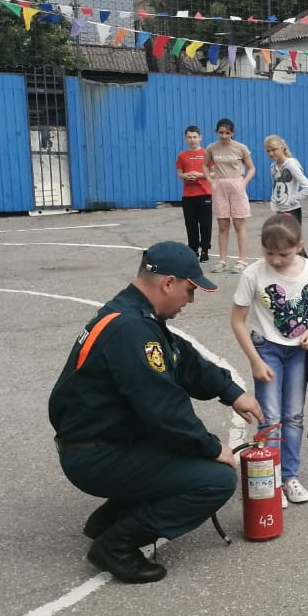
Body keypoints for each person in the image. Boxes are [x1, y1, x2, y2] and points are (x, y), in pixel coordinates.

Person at [49, 242, 264, 583]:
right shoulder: (132, 329)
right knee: (215, 480)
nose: (190, 300)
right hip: (95, 454)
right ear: (167, 283)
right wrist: (211, 448)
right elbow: (164, 410)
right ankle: (117, 545)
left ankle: (109, 519)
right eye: (189, 290)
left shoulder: (134, 313)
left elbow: (184, 359)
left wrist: (231, 391)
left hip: (98, 442)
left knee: (181, 456)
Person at [231, 215, 308, 506]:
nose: (275, 260)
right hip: (266, 348)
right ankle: (271, 477)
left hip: (298, 351)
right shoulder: (253, 274)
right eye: (268, 252)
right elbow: (237, 321)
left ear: (300, 246)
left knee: (294, 415)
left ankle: (289, 477)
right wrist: (255, 360)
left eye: (283, 254)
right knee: (271, 416)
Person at [203, 117, 256, 273]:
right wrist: (210, 181)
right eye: (221, 132)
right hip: (219, 186)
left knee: (239, 224)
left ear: (233, 132)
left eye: (227, 132)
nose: (224, 135)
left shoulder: (241, 148)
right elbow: (205, 165)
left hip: (237, 186)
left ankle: (242, 260)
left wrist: (243, 183)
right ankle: (222, 260)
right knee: (222, 226)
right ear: (216, 132)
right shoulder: (212, 148)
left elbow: (252, 168)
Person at [264, 135, 308, 258]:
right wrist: (275, 202)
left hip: (292, 211)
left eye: (273, 149)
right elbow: (276, 187)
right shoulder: (273, 167)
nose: (271, 153)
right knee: (285, 243)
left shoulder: (291, 164)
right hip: (279, 209)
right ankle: (294, 271)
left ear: (282, 148)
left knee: (293, 244)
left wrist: (292, 199)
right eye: (268, 150)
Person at [175, 125, 212, 262]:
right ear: (185, 139)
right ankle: (193, 249)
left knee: (205, 224)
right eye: (189, 137)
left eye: (195, 137)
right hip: (188, 195)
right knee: (191, 224)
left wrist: (200, 175)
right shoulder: (182, 155)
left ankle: (205, 250)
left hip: (204, 193)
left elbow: (213, 172)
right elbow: (179, 174)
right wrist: (186, 175)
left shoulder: (206, 153)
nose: (192, 140)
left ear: (200, 137)